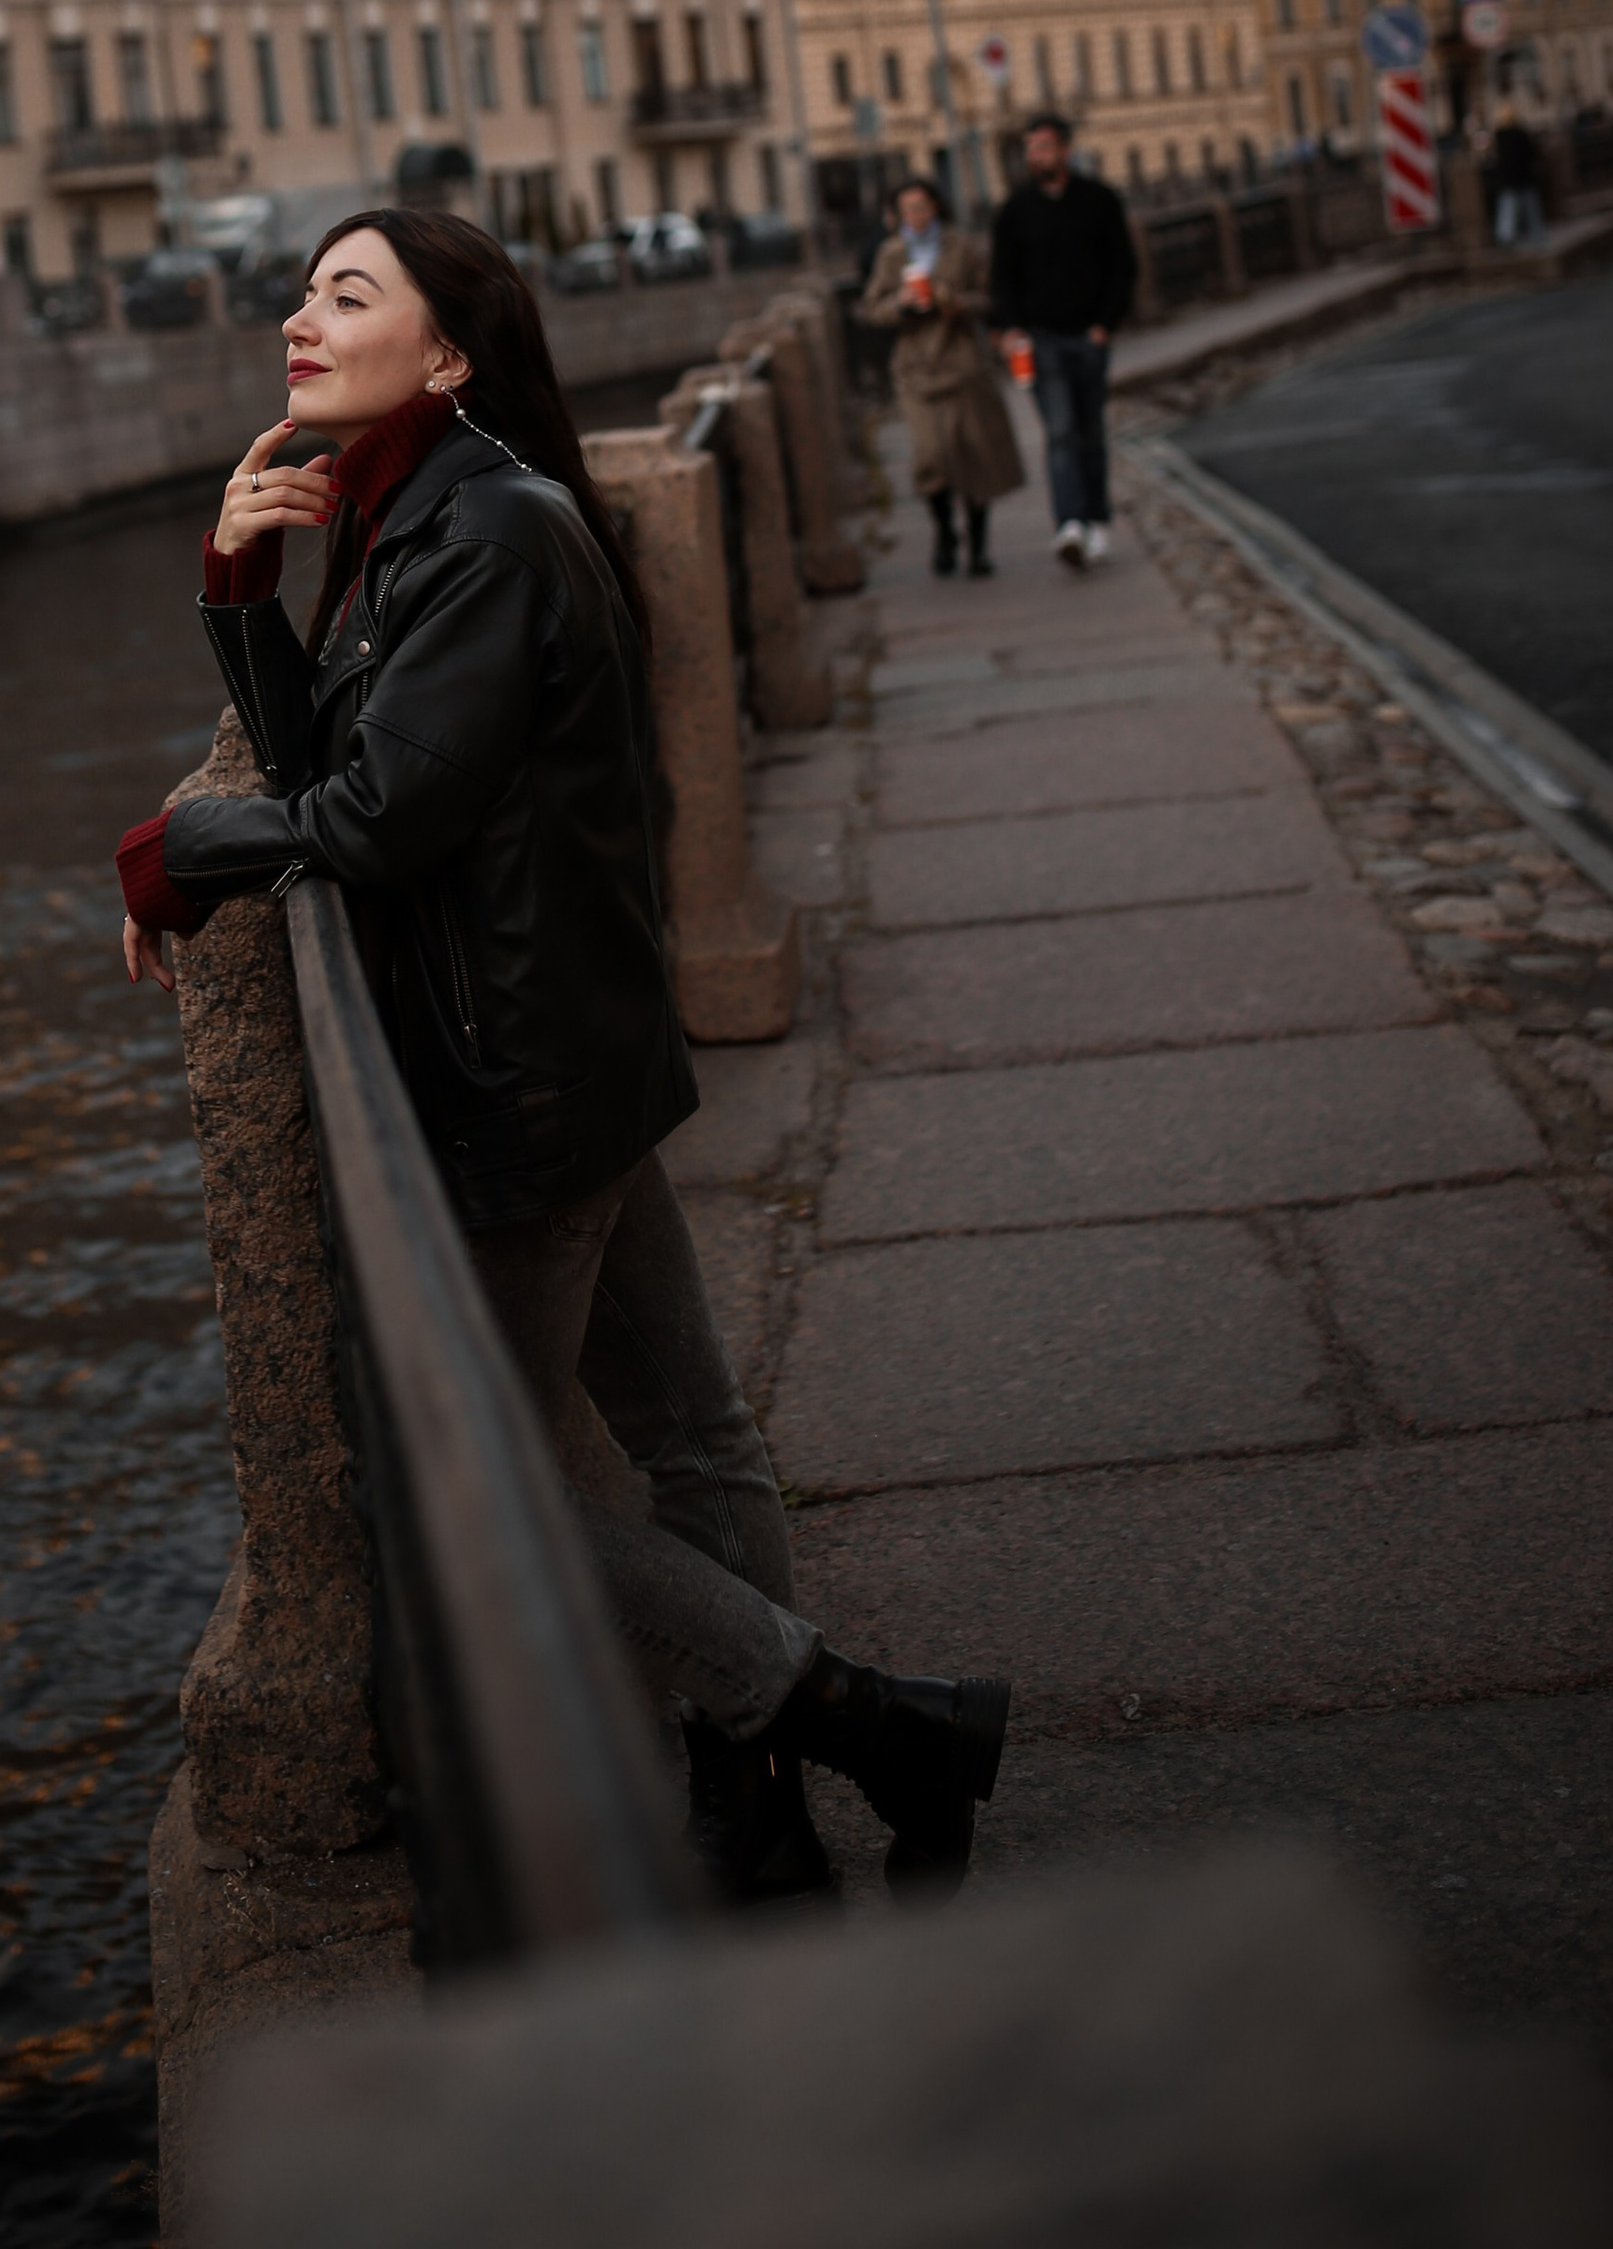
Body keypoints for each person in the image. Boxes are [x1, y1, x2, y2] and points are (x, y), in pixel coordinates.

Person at [114, 208, 1009, 1900]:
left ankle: (873, 1723)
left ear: (446, 357)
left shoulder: (491, 532)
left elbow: (370, 819)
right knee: (695, 1446)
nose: (302, 316)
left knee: (470, 1502)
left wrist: (171, 855)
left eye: (349, 295)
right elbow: (333, 747)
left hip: (512, 1087)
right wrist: (240, 584)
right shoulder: (409, 512)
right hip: (567, 1056)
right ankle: (760, 1802)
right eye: (304, 290)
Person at [989, 115, 1135, 572]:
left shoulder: (1099, 201)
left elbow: (1123, 267)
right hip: (1041, 339)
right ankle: (1068, 523)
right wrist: (1011, 328)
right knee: (1059, 431)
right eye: (1031, 148)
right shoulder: (1015, 210)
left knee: (1090, 431)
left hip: (1089, 336)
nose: (1037, 156)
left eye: (1045, 147)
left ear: (1065, 150)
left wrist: (1105, 325)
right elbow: (1002, 276)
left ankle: (1096, 521)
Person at [859, 175, 1023, 577]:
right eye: (906, 209)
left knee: (974, 454)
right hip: (916, 369)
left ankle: (979, 548)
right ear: (896, 216)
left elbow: (991, 297)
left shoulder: (962, 246)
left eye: (921, 207)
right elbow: (871, 308)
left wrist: (952, 300)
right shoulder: (891, 255)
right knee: (931, 458)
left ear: (936, 208)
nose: (914, 216)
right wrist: (900, 302)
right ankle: (945, 533)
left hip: (962, 363)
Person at [1490, 111, 1544, 249]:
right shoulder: (1521, 134)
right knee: (1530, 207)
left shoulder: (1499, 137)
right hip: (1524, 175)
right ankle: (1536, 233)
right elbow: (1532, 153)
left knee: (1509, 206)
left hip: (1508, 177)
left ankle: (1506, 235)